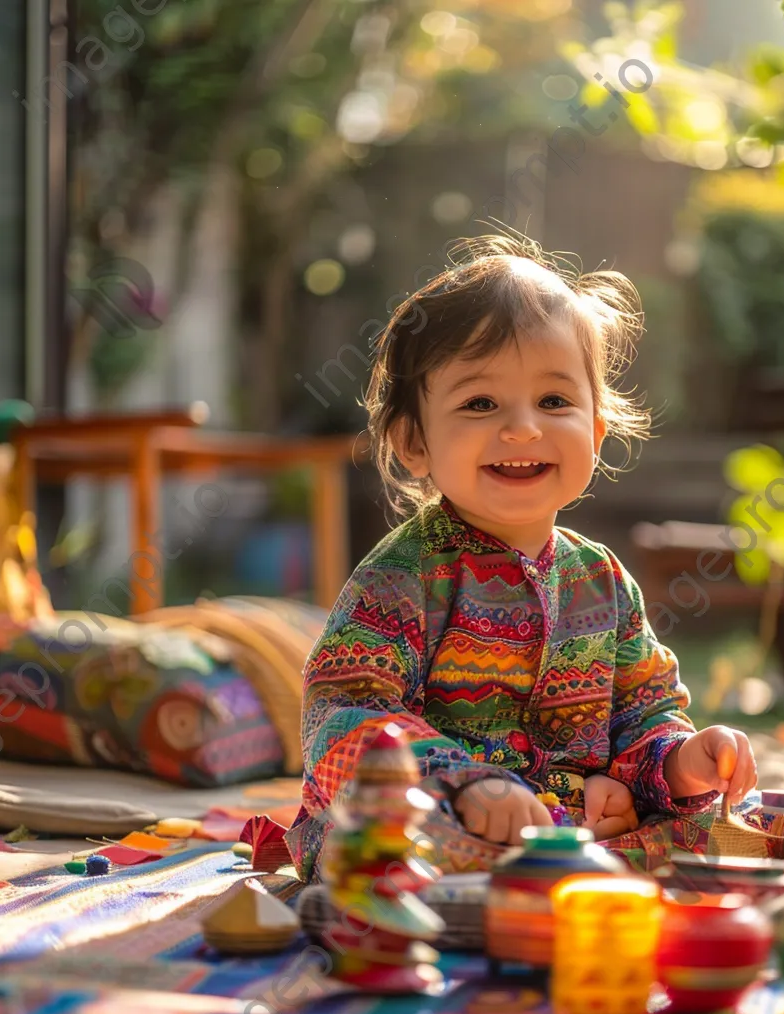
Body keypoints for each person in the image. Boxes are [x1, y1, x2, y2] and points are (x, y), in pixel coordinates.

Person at [285, 232, 758, 882]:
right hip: (447, 817)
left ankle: (578, 856)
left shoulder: (603, 581)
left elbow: (643, 711)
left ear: (595, 430)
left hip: (567, 822)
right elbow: (342, 711)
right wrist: (469, 785)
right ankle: (533, 867)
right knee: (387, 833)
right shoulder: (406, 573)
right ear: (413, 443)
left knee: (718, 818)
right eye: (480, 403)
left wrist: (680, 762)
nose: (523, 429)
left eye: (554, 401)